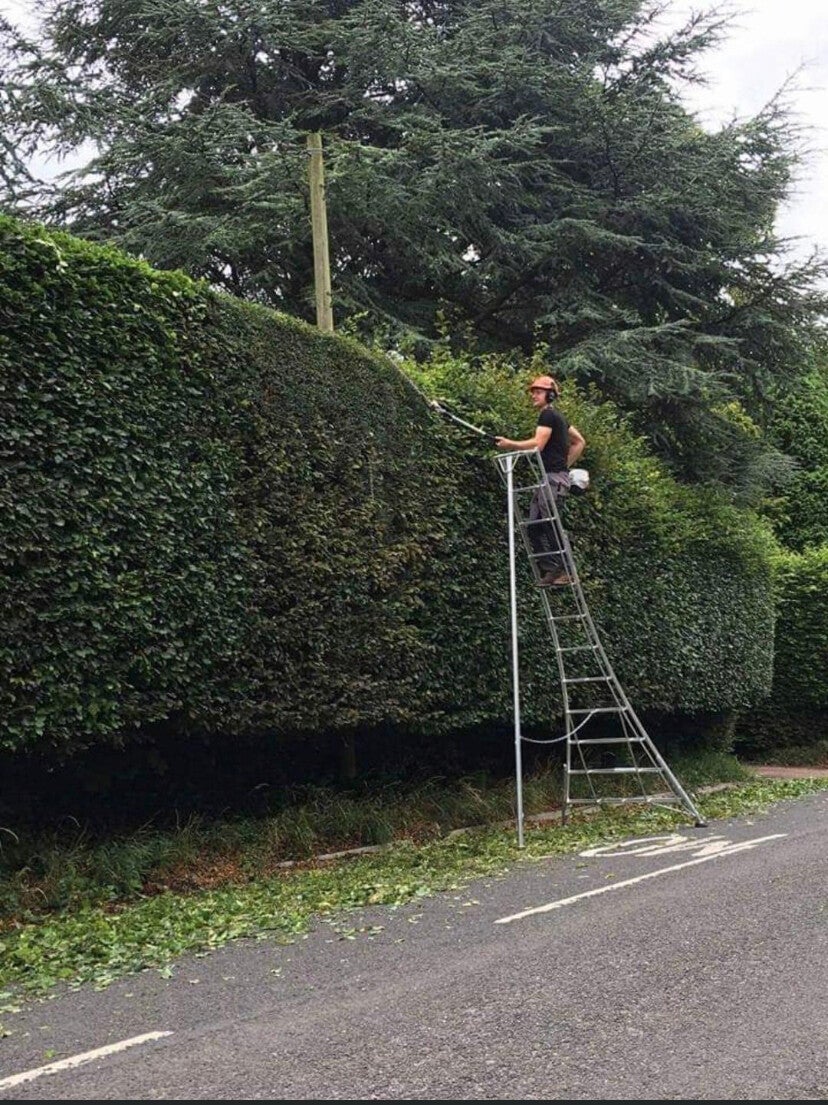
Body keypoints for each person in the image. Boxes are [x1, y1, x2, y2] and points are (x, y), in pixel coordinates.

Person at [495, 375, 585, 586]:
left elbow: (538, 444)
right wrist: (564, 466)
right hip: (552, 477)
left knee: (548, 522)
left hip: (553, 479)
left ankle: (565, 570)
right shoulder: (559, 418)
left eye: (538, 392)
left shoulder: (547, 415)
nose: (533, 395)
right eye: (533, 392)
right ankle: (552, 569)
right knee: (534, 525)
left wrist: (509, 444)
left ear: (550, 395)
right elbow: (580, 442)